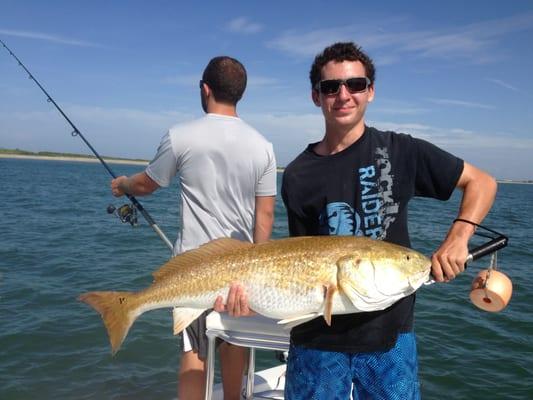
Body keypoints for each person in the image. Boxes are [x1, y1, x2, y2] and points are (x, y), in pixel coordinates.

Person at [279, 42, 497, 399]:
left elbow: (482, 183)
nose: (344, 95)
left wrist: (459, 237)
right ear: (316, 96)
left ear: (371, 92)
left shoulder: (401, 151)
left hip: (390, 336)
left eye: (356, 85)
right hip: (317, 338)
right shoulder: (297, 174)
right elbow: (299, 259)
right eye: (331, 87)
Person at [110, 56, 277, 400]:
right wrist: (262, 268)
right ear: (240, 93)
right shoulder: (264, 146)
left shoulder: (181, 136)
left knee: (194, 353)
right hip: (243, 271)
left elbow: (147, 184)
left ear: (205, 88)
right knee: (235, 344)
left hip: (193, 268)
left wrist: (123, 184)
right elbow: (265, 217)